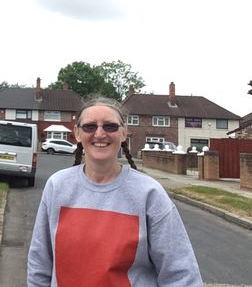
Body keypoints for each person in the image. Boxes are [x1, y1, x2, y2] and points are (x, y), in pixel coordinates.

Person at [27, 96, 203, 286]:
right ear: (77, 133)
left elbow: (181, 275)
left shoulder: (149, 194)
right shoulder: (57, 186)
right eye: (90, 126)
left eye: (110, 126)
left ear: (124, 133)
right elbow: (39, 264)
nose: (100, 134)